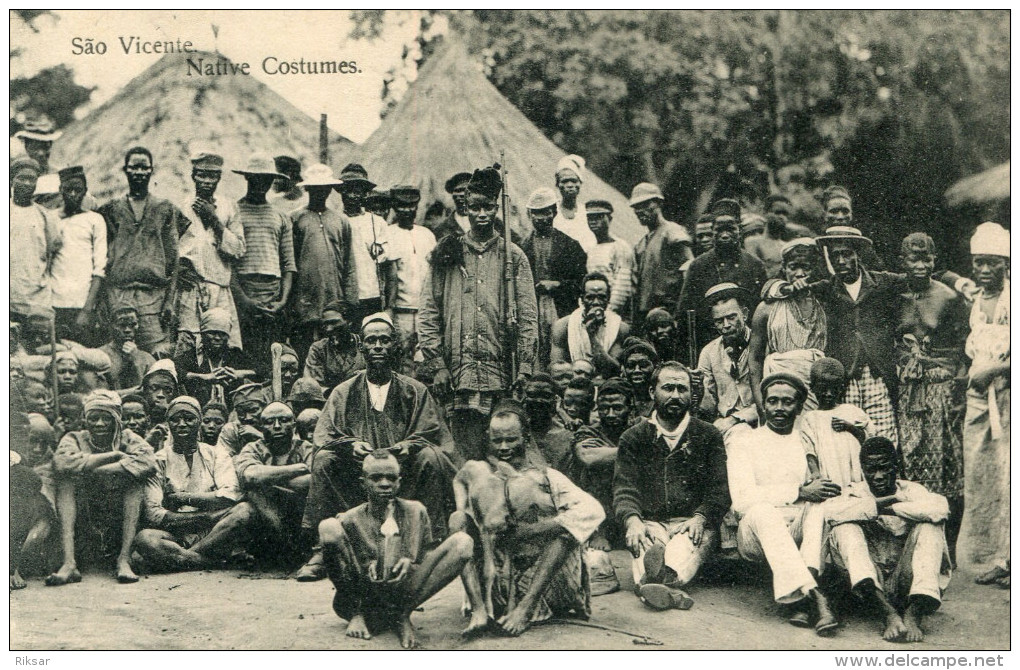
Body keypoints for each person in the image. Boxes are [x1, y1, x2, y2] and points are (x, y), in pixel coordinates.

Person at [302, 312, 458, 581]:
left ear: (394, 346)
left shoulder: (415, 390)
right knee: (325, 458)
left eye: (384, 341)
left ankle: (430, 544)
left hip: (402, 474)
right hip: (357, 476)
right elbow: (324, 435)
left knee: (431, 457)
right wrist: (350, 445)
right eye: (371, 341)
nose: (377, 347)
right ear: (361, 346)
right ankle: (322, 550)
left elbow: (433, 433)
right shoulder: (344, 391)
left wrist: (410, 445)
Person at [452, 401, 605, 636]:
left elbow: (594, 511)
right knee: (459, 521)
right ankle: (478, 609)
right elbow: (460, 484)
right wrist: (462, 510)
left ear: (525, 436)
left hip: (545, 584)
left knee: (566, 532)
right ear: (488, 437)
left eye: (511, 440)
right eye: (497, 440)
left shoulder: (547, 476)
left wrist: (537, 529)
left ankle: (526, 608)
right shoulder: (482, 475)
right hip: (498, 584)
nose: (503, 447)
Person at [419, 167, 539, 462]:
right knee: (465, 455)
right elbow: (428, 311)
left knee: (504, 452)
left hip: (502, 371)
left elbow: (528, 316)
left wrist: (524, 366)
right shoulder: (448, 252)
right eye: (475, 207)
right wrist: (438, 366)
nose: (481, 214)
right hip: (459, 373)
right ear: (465, 208)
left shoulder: (514, 256)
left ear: (497, 207)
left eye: (487, 207)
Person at [319, 451, 476, 648]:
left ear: (399, 482)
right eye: (376, 478)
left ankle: (402, 616)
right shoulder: (350, 519)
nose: (385, 484)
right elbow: (340, 565)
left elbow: (428, 554)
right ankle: (357, 615)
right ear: (363, 482)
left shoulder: (415, 511)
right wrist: (366, 565)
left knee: (462, 542)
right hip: (365, 600)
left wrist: (411, 562)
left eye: (391, 478)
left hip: (403, 594)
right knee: (327, 526)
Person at [613, 361, 730, 610]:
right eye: (668, 388)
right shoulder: (633, 437)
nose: (675, 395)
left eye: (682, 389)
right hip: (650, 522)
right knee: (644, 546)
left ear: (691, 394)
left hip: (690, 522)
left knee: (680, 554)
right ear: (651, 392)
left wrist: (701, 517)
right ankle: (668, 590)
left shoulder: (708, 435)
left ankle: (657, 582)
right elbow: (624, 488)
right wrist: (632, 520)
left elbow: (719, 490)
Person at [726, 373, 838, 635]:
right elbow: (742, 501)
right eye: (772, 401)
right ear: (763, 405)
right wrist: (798, 491)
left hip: (799, 532)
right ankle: (817, 596)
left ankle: (802, 599)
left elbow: (822, 489)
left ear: (799, 407)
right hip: (756, 533)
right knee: (764, 511)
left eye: (787, 402)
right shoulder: (744, 441)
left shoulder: (807, 441)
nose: (779, 409)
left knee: (819, 506)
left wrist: (813, 492)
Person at [895, 233, 969, 559]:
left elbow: (965, 348)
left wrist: (955, 387)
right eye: (914, 259)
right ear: (902, 261)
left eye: (927, 258)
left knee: (948, 470)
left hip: (940, 388)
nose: (922, 265)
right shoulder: (893, 295)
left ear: (935, 260)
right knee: (908, 466)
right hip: (907, 389)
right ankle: (914, 546)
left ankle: (947, 550)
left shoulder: (949, 298)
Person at [849, 436, 954, 642]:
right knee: (844, 528)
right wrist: (876, 506)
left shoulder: (912, 490)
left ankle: (914, 612)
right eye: (871, 470)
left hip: (905, 582)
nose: (878, 476)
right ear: (862, 469)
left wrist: (892, 508)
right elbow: (832, 513)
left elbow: (940, 509)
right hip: (872, 584)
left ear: (896, 466)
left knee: (930, 526)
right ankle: (887, 613)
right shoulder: (855, 491)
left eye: (884, 468)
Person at [134, 396, 255, 572]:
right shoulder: (158, 460)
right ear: (168, 423)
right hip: (177, 533)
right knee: (145, 539)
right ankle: (210, 561)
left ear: (199, 422)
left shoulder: (216, 454)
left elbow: (230, 495)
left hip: (215, 532)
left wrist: (183, 498)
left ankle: (184, 556)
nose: (182, 424)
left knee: (245, 511)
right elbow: (154, 513)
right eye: (175, 420)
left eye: (189, 419)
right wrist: (208, 516)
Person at [49, 390, 156, 585]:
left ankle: (124, 559)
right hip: (84, 519)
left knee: (134, 482)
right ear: (85, 420)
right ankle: (69, 562)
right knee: (66, 482)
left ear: (116, 419)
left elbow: (148, 463)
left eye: (105, 419)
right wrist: (114, 456)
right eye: (93, 418)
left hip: (117, 519)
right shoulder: (74, 438)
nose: (99, 424)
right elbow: (62, 463)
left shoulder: (128, 438)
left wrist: (92, 469)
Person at [98, 146, 186, 354]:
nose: (139, 173)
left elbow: (174, 260)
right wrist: (103, 300)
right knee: (119, 352)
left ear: (151, 170)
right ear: (125, 170)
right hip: (119, 294)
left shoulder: (165, 209)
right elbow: (101, 258)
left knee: (156, 352)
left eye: (144, 168)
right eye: (134, 168)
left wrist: (169, 302)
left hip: (153, 297)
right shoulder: (110, 209)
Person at [960, 222, 1010, 584]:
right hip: (979, 398)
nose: (985, 270)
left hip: (1009, 395)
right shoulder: (976, 301)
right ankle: (989, 554)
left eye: (993, 262)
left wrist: (996, 368)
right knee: (981, 474)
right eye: (979, 262)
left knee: (1011, 474)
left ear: (1006, 264)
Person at [229, 152, 297, 377]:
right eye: (255, 178)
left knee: (271, 353)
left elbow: (288, 264)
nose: (260, 184)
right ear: (247, 178)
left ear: (271, 181)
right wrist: (244, 300)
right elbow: (228, 263)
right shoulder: (234, 212)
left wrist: (282, 301)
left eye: (266, 179)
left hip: (272, 294)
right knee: (243, 353)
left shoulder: (280, 216)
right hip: (243, 291)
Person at [174, 149, 245, 351]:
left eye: (212, 175)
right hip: (190, 288)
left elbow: (239, 249)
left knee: (222, 343)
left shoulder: (228, 207)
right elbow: (170, 247)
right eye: (201, 175)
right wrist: (178, 268)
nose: (206, 181)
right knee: (189, 343)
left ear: (219, 178)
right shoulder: (182, 206)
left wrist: (213, 219)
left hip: (219, 288)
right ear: (193, 176)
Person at [676, 199, 767, 354]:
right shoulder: (698, 266)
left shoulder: (754, 265)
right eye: (719, 230)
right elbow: (685, 311)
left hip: (748, 343)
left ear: (739, 229)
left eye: (730, 229)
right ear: (713, 231)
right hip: (709, 343)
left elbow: (761, 308)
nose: (725, 235)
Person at [748, 239, 827, 415]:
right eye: (793, 267)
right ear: (784, 268)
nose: (799, 273)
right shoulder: (767, 307)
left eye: (806, 267)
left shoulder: (824, 302)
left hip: (817, 388)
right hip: (778, 388)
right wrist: (760, 403)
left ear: (815, 268)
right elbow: (755, 357)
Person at [288, 163, 358, 361]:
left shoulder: (341, 220)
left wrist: (350, 300)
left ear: (330, 189)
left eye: (325, 188)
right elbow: (288, 262)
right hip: (305, 300)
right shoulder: (295, 218)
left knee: (334, 352)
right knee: (305, 351)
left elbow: (349, 263)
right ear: (307, 189)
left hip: (334, 298)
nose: (321, 192)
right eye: (316, 188)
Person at [233, 401, 314, 562]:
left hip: (299, 517)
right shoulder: (253, 448)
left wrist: (267, 479)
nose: (277, 426)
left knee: (257, 490)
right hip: (264, 523)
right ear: (261, 427)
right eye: (270, 422)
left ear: (294, 425)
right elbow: (251, 476)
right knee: (253, 495)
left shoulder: (306, 448)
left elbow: (314, 481)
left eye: (283, 420)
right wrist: (298, 468)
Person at [566, 377, 634, 559]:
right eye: (604, 408)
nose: (610, 414)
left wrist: (607, 453)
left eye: (617, 408)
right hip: (601, 508)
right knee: (597, 469)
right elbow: (588, 457)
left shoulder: (639, 427)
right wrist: (633, 451)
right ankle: (598, 531)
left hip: (631, 505)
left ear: (630, 407)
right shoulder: (588, 431)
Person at [521, 187, 587, 368]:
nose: (540, 218)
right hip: (531, 308)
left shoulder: (570, 245)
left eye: (545, 212)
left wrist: (556, 285)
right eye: (535, 213)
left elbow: (582, 284)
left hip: (561, 307)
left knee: (561, 353)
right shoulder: (522, 247)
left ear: (554, 212)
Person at [49, 166, 106, 344]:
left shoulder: (94, 220)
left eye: (78, 190)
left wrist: (87, 309)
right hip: (55, 304)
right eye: (68, 190)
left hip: (82, 305)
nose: (73, 194)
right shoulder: (50, 218)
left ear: (85, 191)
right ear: (60, 190)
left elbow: (100, 268)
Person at [696, 283, 759, 441]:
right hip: (722, 427)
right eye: (719, 321)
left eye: (731, 317)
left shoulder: (762, 346)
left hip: (759, 422)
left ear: (744, 314)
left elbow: (770, 396)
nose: (726, 325)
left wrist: (735, 419)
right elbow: (708, 407)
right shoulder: (709, 352)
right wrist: (698, 390)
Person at [337, 163, 397, 324]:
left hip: (371, 296)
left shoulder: (377, 223)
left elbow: (390, 267)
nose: (352, 196)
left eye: (358, 191)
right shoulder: (335, 221)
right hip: (342, 298)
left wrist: (390, 306)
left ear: (365, 193)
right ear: (340, 192)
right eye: (347, 190)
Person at [386, 185, 437, 369]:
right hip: (402, 311)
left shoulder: (427, 235)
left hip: (426, 310)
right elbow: (389, 275)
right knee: (401, 359)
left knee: (427, 358)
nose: (407, 210)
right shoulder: (388, 233)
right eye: (402, 206)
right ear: (394, 207)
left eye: (411, 206)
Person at [629, 182, 693, 328]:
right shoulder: (641, 244)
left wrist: (681, 309)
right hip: (646, 313)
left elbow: (690, 268)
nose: (640, 211)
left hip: (669, 310)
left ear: (658, 204)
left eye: (645, 205)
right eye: (636, 207)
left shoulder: (672, 232)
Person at [10, 156, 62, 323]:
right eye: (21, 178)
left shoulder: (44, 216)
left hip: (37, 298)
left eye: (31, 179)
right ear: (11, 180)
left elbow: (52, 251)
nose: (27, 184)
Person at [550, 272, 629, 378]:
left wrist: (592, 337)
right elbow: (557, 369)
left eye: (601, 297)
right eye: (590, 297)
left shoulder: (619, 327)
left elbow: (613, 370)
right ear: (582, 299)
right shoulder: (563, 326)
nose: (596, 302)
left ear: (608, 299)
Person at [174, 308, 257, 407]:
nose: (217, 338)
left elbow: (264, 370)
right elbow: (173, 371)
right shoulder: (192, 356)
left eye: (222, 334)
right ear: (202, 334)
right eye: (212, 333)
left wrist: (240, 373)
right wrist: (203, 377)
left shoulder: (235, 355)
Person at [585, 199, 635, 320]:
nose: (594, 222)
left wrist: (609, 311)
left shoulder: (620, 247)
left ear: (609, 219)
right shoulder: (591, 249)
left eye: (599, 217)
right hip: (595, 308)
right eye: (590, 218)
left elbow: (622, 287)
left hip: (613, 312)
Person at [302, 302, 365, 394]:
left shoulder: (363, 345)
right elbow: (314, 384)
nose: (329, 329)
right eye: (325, 324)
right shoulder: (319, 349)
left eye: (334, 322)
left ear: (349, 321)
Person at [521, 373, 575, 468]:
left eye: (546, 396)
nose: (538, 400)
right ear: (525, 398)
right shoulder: (519, 433)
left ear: (555, 400)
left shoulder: (566, 435)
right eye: (532, 395)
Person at [100, 307, 157, 394]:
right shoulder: (101, 355)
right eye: (122, 325)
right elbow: (100, 394)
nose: (127, 330)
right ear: (112, 326)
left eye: (132, 325)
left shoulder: (148, 359)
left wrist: (136, 360)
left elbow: (151, 393)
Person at [552, 155, 596, 253]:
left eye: (574, 181)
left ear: (580, 183)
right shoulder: (552, 212)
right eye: (565, 181)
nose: (570, 185)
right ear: (557, 184)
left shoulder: (587, 213)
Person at [216, 382, 270, 455]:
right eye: (241, 413)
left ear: (264, 407)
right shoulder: (232, 429)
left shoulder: (276, 425)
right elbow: (223, 460)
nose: (248, 418)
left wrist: (260, 436)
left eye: (253, 410)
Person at [620, 339, 659, 418]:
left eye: (643, 365)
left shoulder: (661, 398)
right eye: (631, 366)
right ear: (624, 370)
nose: (637, 370)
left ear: (655, 367)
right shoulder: (621, 400)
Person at [428, 171, 472, 241]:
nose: (462, 195)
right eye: (458, 191)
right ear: (452, 195)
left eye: (466, 190)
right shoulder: (441, 230)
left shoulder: (491, 223)